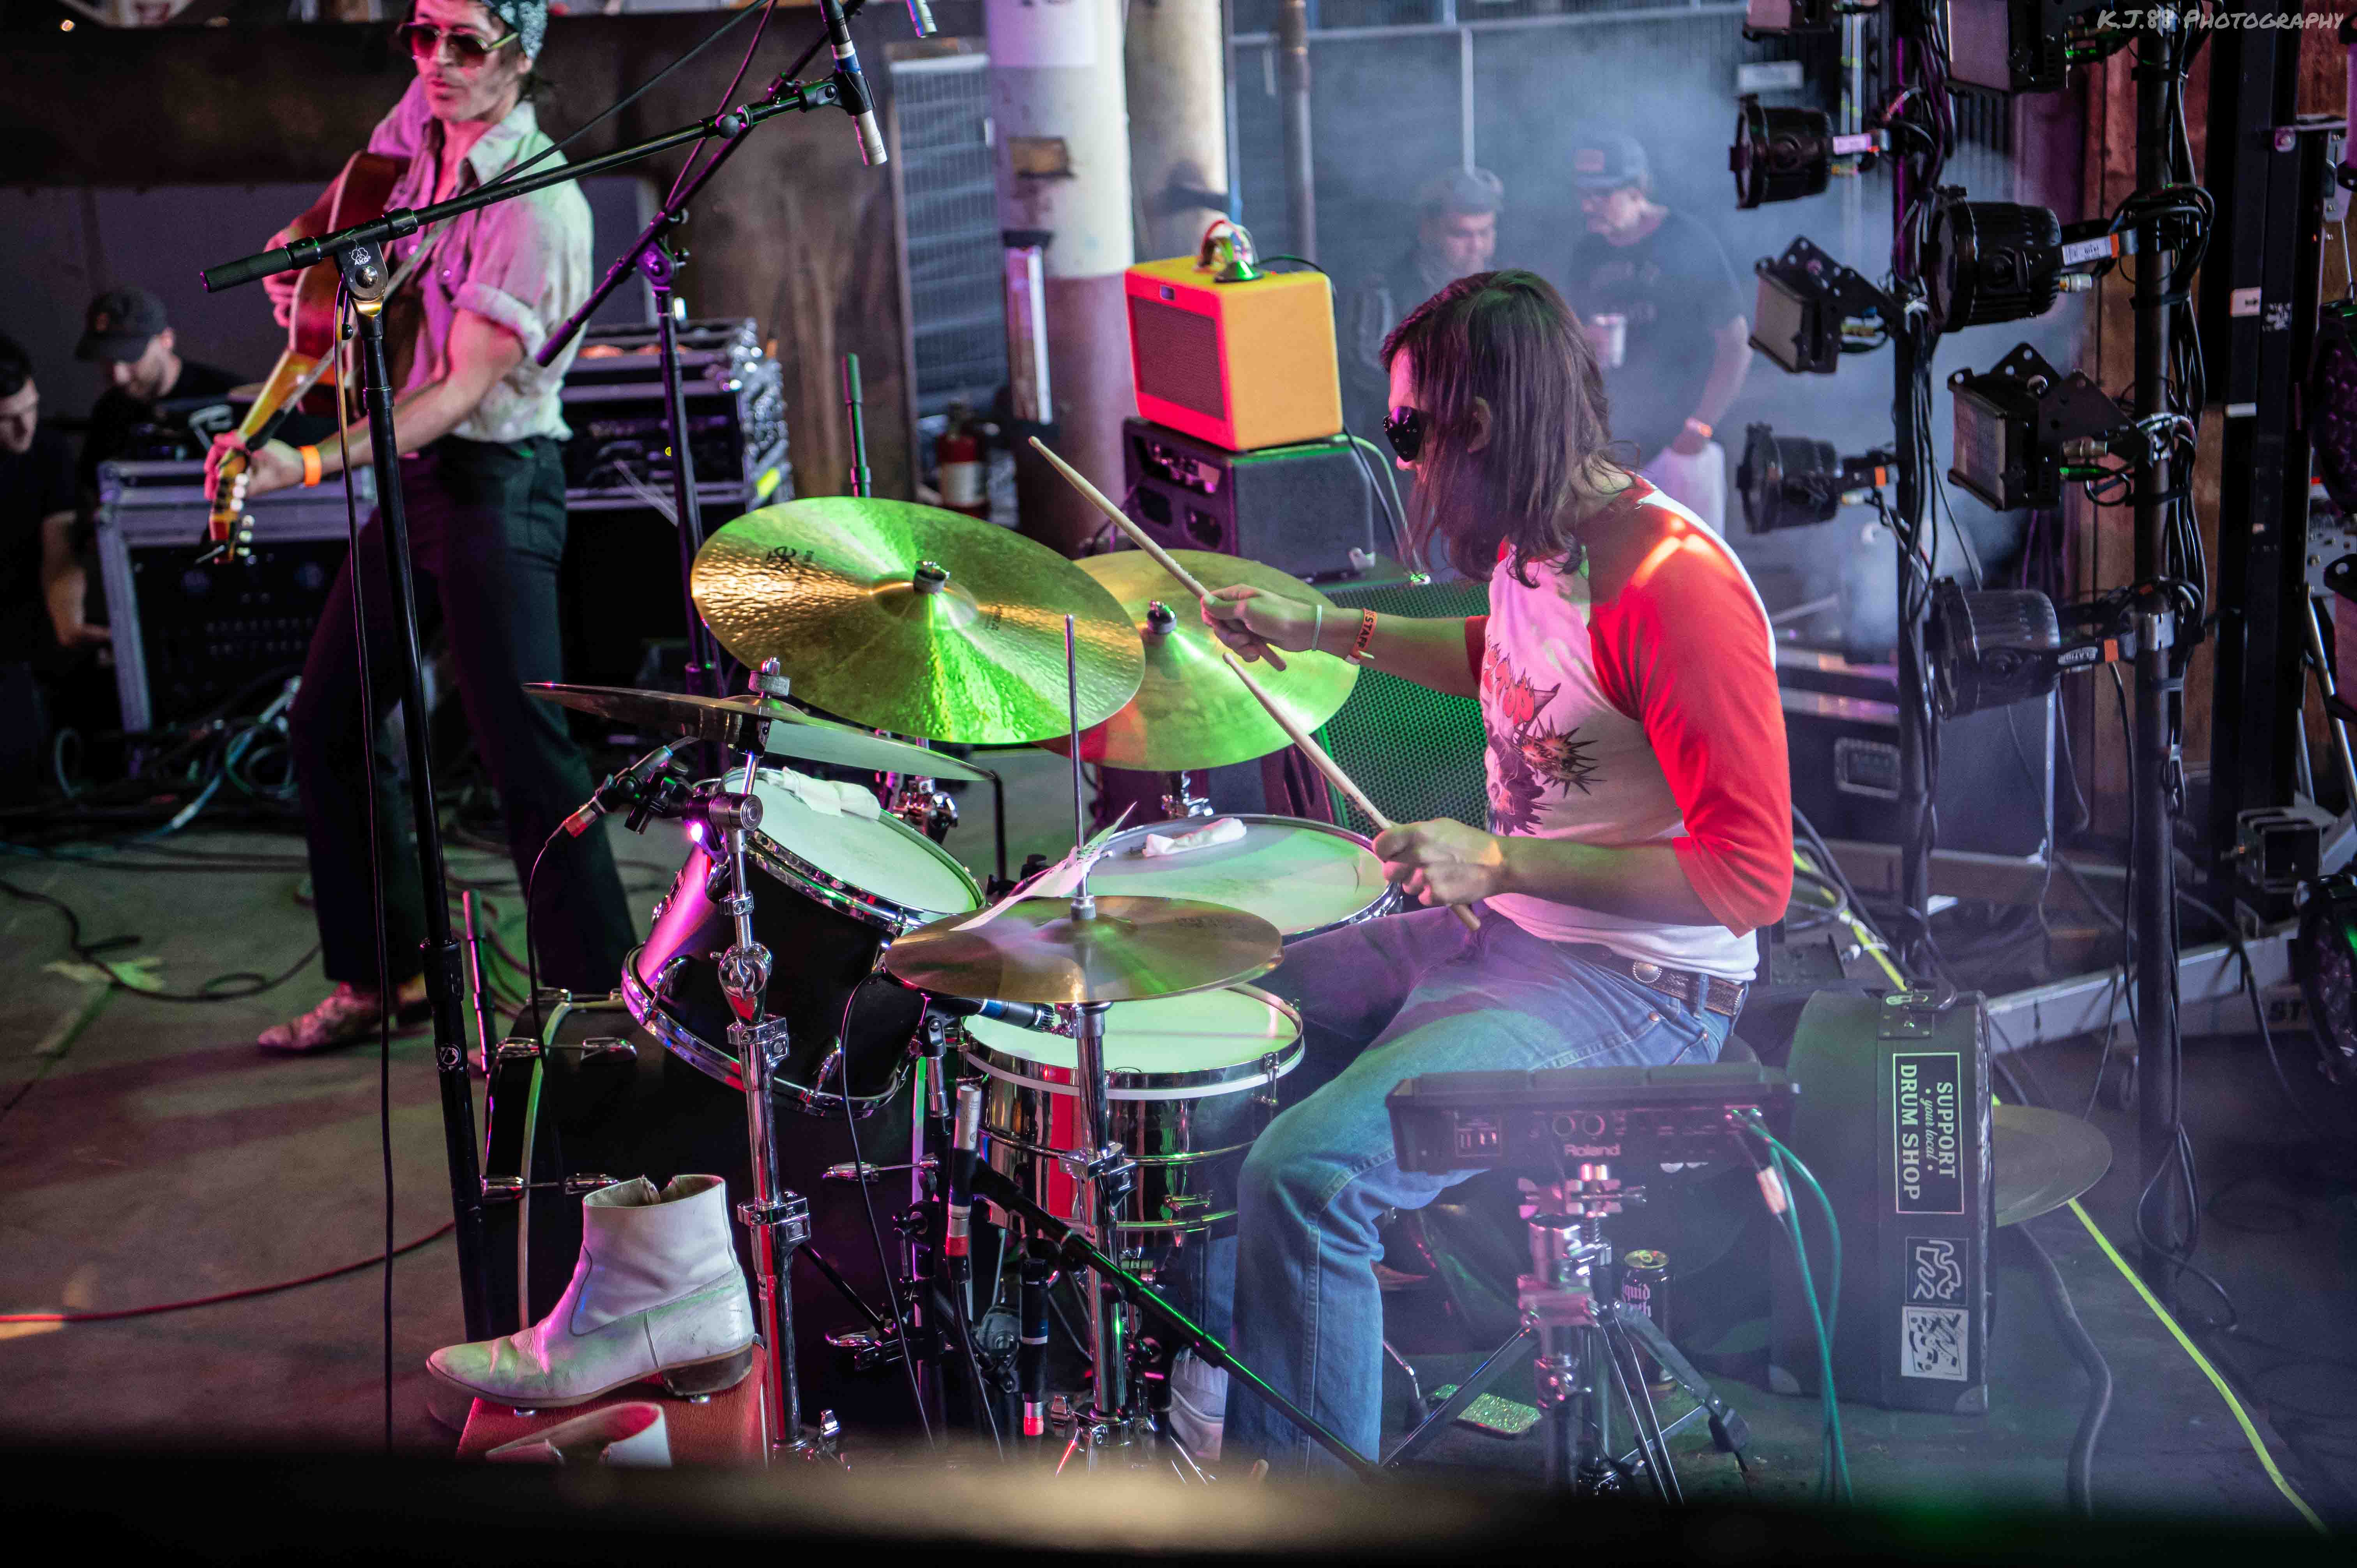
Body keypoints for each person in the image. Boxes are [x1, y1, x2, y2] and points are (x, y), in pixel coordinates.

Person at [1182, 270, 1792, 1472]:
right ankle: (1232, 1417)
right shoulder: (1539, 546)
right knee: (1211, 1039)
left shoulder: (1671, 588)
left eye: (1410, 429)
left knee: (1312, 1179)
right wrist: (1327, 628)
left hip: (1639, 992)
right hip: (1505, 942)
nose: (1400, 455)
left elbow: (1750, 879)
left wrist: (1496, 854)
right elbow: (1500, 651)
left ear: (1486, 424)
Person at [206, 0, 633, 1053]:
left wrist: (305, 461)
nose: (436, 62)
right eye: (421, 35)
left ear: (522, 58)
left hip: (496, 481)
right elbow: (344, 207)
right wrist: (300, 255)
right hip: (418, 478)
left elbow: (453, 393)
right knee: (330, 726)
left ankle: (608, 1014)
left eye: (465, 44)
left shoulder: (542, 210)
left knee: (527, 763)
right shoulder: (422, 121)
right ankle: (385, 978)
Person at [1562, 132, 1753, 533]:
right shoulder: (1587, 252)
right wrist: (1584, 344)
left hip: (1682, 446)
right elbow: (1571, 343)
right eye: (1584, 194)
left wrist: (1700, 426)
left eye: (1602, 194)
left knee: (1693, 572)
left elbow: (1736, 344)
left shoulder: (1686, 239)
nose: (1588, 206)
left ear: (1638, 189)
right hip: (1613, 451)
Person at [1338, 167, 1504, 440]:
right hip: (1409, 451)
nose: (1476, 246)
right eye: (1461, 235)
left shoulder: (1504, 289)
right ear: (1427, 231)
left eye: (1485, 233)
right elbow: (1366, 369)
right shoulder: (1384, 291)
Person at [78, 286, 244, 500]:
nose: (118, 375)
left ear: (166, 340)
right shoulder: (109, 411)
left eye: (130, 357)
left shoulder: (231, 398)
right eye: (108, 359)